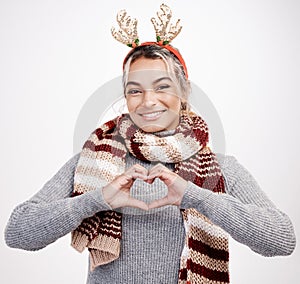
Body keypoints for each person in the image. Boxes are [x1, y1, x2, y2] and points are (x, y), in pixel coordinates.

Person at [4, 4, 296, 284]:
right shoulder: (93, 159)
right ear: (126, 97)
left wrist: (197, 197)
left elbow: (282, 240)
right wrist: (97, 200)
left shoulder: (220, 167)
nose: (148, 101)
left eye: (162, 86)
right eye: (135, 91)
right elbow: (17, 232)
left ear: (184, 92)